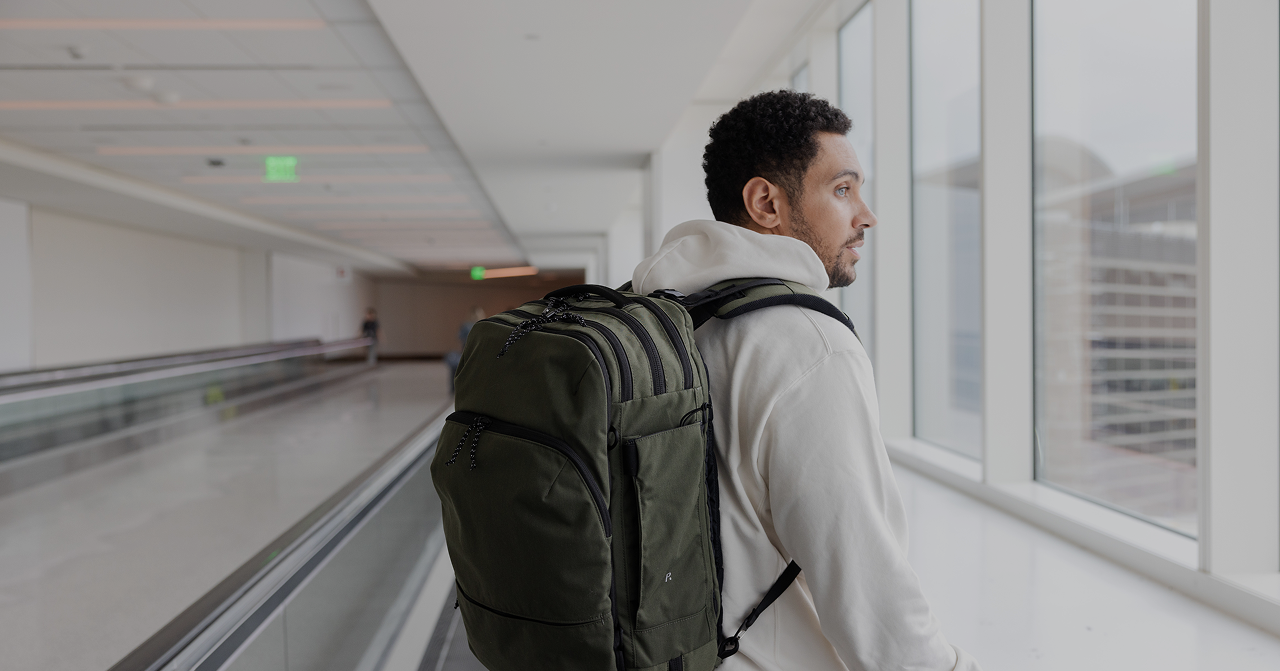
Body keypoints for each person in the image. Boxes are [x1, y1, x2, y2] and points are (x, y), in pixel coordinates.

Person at [631, 91, 981, 671]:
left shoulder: (668, 317)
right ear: (766, 202)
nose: (866, 215)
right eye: (843, 190)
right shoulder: (807, 345)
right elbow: (866, 585)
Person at [445, 306, 485, 392]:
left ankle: (455, 387)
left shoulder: (467, 325)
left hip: (469, 351)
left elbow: (461, 340)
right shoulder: (483, 324)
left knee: (457, 368)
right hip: (477, 351)